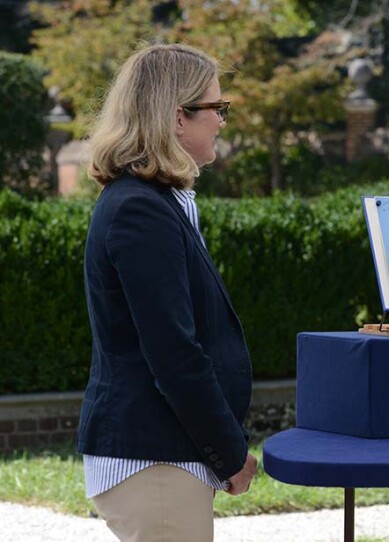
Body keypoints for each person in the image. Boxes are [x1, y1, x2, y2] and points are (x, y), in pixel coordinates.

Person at [77, 43, 257, 541]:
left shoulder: (155, 202)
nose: (222, 120)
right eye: (215, 108)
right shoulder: (142, 210)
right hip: (153, 458)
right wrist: (230, 452)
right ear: (178, 117)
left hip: (163, 456)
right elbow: (173, 353)